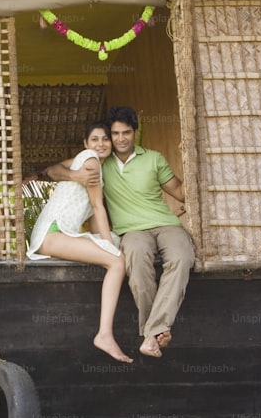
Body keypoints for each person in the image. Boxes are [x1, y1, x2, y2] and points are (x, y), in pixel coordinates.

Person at [43, 106, 194, 358]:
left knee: (182, 256)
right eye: (115, 133)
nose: (121, 138)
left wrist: (192, 161)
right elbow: (52, 170)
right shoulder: (100, 163)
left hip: (166, 224)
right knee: (135, 257)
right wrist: (75, 175)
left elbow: (180, 191)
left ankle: (152, 332)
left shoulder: (154, 158)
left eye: (127, 132)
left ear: (135, 133)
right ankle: (157, 331)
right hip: (132, 231)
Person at [26, 121, 132, 363]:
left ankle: (106, 332)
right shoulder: (91, 160)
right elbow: (97, 207)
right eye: (95, 139)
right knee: (117, 262)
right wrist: (111, 250)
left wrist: (110, 242)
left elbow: (95, 219)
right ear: (86, 144)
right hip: (53, 234)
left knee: (116, 247)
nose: (101, 143)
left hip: (53, 234)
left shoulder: (89, 163)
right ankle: (104, 334)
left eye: (105, 139)